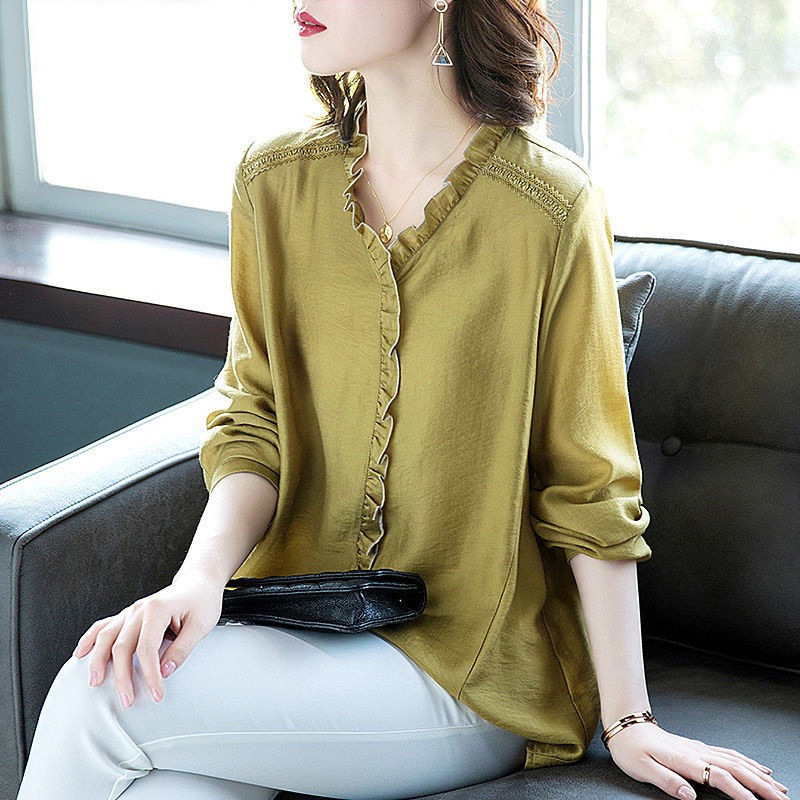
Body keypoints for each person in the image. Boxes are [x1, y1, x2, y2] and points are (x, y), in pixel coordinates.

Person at [16, 1, 789, 799]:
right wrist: (199, 580)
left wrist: (630, 720)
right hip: (300, 618)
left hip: (471, 667)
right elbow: (254, 421)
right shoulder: (273, 184)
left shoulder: (548, 207)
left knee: (97, 695)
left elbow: (589, 484)